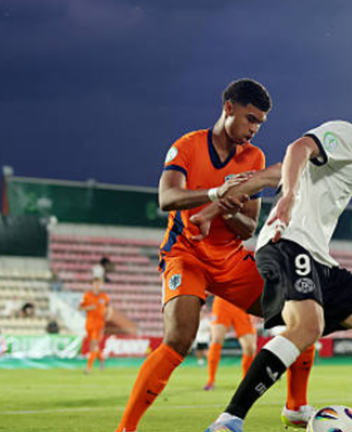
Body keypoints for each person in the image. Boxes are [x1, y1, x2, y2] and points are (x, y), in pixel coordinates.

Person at [203, 91, 352, 432]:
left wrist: (226, 196)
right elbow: (298, 149)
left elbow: (280, 170)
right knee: (307, 326)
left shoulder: (349, 151)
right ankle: (228, 421)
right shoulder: (346, 133)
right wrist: (289, 196)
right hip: (290, 243)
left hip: (317, 257)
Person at [114, 79, 316, 432]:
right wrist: (214, 193)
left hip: (230, 260)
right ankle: (125, 429)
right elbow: (167, 199)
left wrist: (226, 208)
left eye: (259, 124)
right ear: (228, 109)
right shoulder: (187, 146)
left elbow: (246, 228)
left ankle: (296, 406)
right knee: (179, 339)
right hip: (185, 255)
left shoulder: (254, 157)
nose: (253, 130)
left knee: (301, 310)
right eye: (250, 119)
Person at [204, 296, 257, 391]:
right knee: (216, 339)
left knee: (250, 347)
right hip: (223, 302)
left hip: (241, 304)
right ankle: (210, 381)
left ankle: (246, 381)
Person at [79, 276, 111, 374]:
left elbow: (109, 307)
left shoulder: (104, 297)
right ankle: (101, 360)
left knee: (93, 345)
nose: (97, 286)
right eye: (95, 284)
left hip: (99, 325)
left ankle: (88, 368)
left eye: (99, 284)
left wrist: (108, 315)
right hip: (89, 324)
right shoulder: (86, 296)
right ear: (92, 285)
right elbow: (80, 308)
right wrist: (89, 308)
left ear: (101, 285)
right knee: (94, 346)